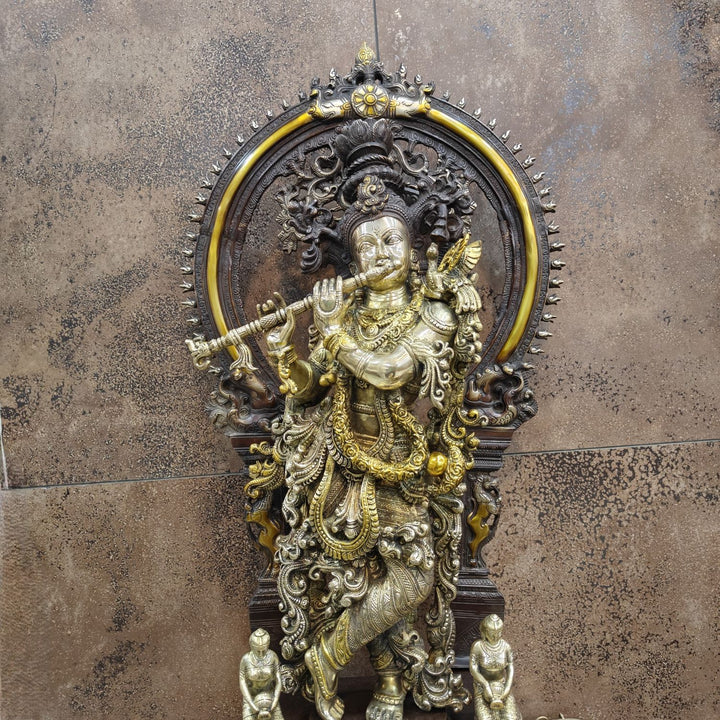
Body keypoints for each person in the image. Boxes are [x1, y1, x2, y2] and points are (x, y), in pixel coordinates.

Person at [247, 119, 483, 720]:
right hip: (340, 466)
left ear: (413, 249)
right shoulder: (346, 314)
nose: (379, 255)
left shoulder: (432, 313)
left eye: (390, 242)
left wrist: (331, 332)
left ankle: (326, 656)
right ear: (352, 256)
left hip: (406, 465)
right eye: (367, 246)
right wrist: (283, 352)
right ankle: (388, 684)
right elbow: (312, 387)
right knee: (364, 574)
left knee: (412, 578)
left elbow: (392, 371)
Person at [469, 615, 521, 720]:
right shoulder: (478, 646)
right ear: (484, 632)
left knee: (511, 718)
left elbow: (510, 666)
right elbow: (473, 668)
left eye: (498, 633)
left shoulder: (506, 647)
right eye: (491, 633)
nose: (495, 637)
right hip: (482, 688)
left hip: (501, 686)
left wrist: (507, 687)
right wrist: (485, 685)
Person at [239, 628, 284, 720]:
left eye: (264, 650)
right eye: (258, 650)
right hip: (251, 698)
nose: (261, 654)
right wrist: (251, 705)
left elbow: (278, 680)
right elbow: (242, 682)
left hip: (270, 697)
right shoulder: (246, 660)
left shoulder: (273, 656)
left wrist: (275, 701)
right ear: (252, 646)